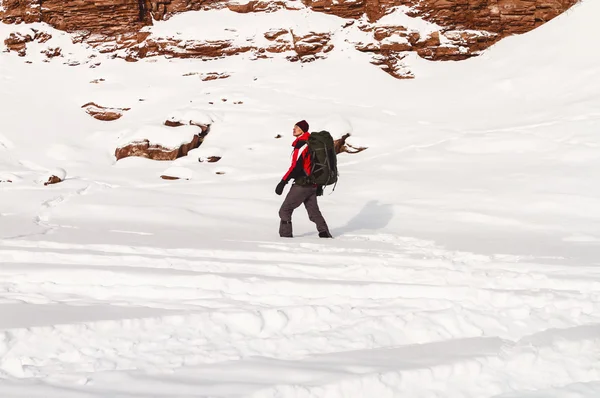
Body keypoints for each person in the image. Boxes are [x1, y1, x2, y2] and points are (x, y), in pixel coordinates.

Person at [275, 120, 332, 238]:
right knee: (313, 212)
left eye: (296, 127)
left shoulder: (302, 144)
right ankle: (325, 234)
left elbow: (295, 166)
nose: (293, 129)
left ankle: (285, 238)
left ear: (302, 130)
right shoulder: (311, 143)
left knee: (285, 210)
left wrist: (283, 182)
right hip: (312, 185)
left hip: (302, 184)